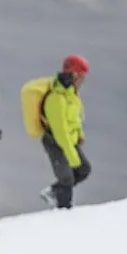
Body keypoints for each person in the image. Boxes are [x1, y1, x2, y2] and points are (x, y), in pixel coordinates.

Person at [28, 55, 92, 209]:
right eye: (81, 77)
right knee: (67, 178)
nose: (82, 81)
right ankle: (63, 211)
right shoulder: (56, 99)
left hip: (70, 140)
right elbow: (60, 132)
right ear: (73, 74)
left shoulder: (71, 94)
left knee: (83, 170)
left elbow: (75, 117)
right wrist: (73, 158)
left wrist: (79, 135)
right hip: (55, 141)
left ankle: (53, 192)